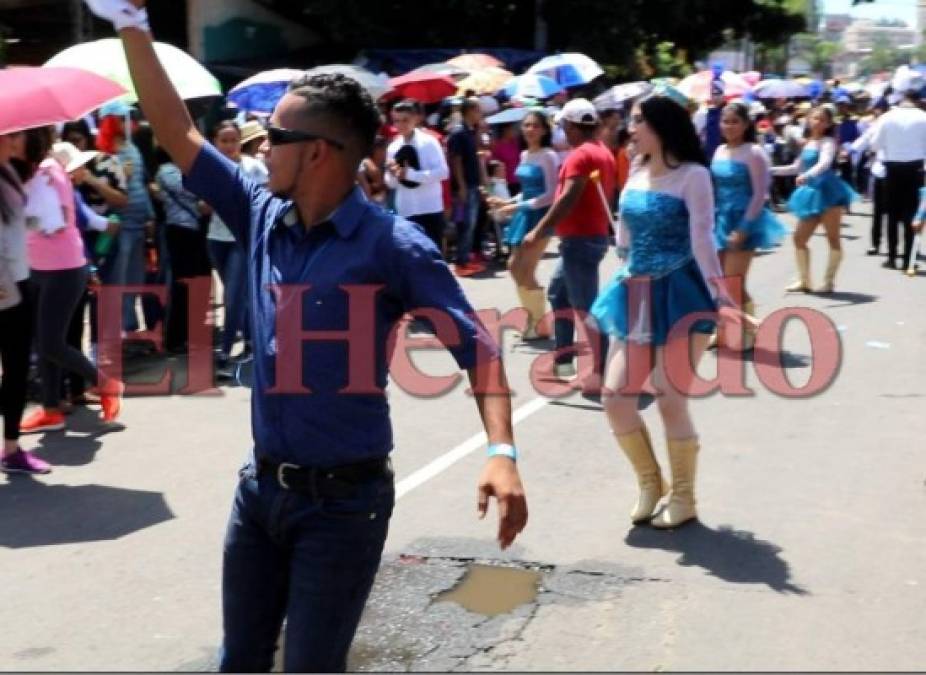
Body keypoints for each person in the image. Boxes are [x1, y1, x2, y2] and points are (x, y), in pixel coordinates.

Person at [86, 2, 527, 671]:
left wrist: (502, 451)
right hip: (259, 493)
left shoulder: (392, 246)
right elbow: (176, 129)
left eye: (273, 135)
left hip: (342, 507)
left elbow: (478, 349)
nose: (260, 146)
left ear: (318, 151)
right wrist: (131, 24)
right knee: (240, 659)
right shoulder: (260, 211)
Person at [590, 94, 737, 529]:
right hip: (635, 289)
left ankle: (685, 497)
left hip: (681, 291)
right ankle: (650, 484)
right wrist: (620, 238)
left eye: (638, 122)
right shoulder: (634, 171)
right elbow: (626, 234)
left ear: (661, 125)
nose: (630, 129)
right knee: (614, 397)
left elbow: (702, 238)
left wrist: (722, 294)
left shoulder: (693, 176)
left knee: (669, 396)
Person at [17, 126, 123, 435]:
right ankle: (51, 409)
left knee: (51, 342)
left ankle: (106, 384)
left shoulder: (47, 171)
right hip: (41, 267)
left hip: (63, 269)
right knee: (45, 340)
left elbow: (51, 222)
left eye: (13, 137)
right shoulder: (35, 171)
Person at [523, 99, 615, 380]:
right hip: (586, 237)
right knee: (558, 294)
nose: (561, 130)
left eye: (563, 125)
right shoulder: (602, 152)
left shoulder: (580, 156)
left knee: (586, 307)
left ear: (572, 126)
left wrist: (539, 230)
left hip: (580, 240)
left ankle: (607, 369)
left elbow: (568, 197)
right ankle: (563, 361)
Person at [709, 102, 786, 350]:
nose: (729, 127)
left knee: (734, 282)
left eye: (735, 122)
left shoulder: (754, 152)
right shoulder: (719, 150)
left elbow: (760, 193)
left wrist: (744, 227)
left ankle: (749, 333)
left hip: (744, 220)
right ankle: (722, 331)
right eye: (725, 121)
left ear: (745, 125)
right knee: (718, 282)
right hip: (719, 219)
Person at [0, 131, 50, 474]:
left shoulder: (10, 172)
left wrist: (34, 221)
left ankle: (11, 448)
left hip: (19, 278)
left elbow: (11, 225)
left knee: (16, 367)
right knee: (14, 367)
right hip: (5, 286)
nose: (16, 138)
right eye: (10, 134)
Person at [487, 110, 559, 341]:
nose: (529, 130)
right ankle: (536, 319)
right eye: (526, 125)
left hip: (540, 217)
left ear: (545, 129)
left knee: (526, 270)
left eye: (535, 126)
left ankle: (539, 324)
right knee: (514, 266)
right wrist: (507, 202)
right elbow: (525, 192)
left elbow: (550, 194)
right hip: (524, 213)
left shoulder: (549, 155)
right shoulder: (525, 154)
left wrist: (518, 207)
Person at [770, 105, 858, 293]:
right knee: (799, 238)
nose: (817, 122)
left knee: (833, 238)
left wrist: (808, 175)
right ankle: (805, 281)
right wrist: (770, 170)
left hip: (828, 191)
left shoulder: (828, 142)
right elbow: (795, 167)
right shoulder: (808, 142)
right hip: (810, 193)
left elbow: (824, 163)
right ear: (808, 120)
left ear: (828, 124)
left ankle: (828, 281)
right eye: (814, 118)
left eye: (822, 119)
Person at [207, 120, 264, 374]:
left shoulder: (254, 168)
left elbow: (264, 202)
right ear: (215, 143)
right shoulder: (209, 169)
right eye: (224, 141)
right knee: (238, 295)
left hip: (243, 239)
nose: (230, 146)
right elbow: (203, 207)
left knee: (231, 296)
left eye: (234, 140)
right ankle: (252, 340)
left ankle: (225, 352)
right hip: (216, 238)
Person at [97, 100, 156, 333]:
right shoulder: (103, 153)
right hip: (120, 226)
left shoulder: (132, 147)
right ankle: (116, 332)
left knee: (135, 279)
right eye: (122, 119)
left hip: (139, 223)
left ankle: (130, 328)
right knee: (117, 281)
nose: (128, 123)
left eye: (128, 118)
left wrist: (150, 215)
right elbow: (104, 191)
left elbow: (140, 184)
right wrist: (122, 174)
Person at [155, 146, 212, 354]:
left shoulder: (185, 168)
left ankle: (195, 333)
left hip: (196, 230)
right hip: (179, 231)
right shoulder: (167, 171)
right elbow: (190, 189)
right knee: (182, 285)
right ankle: (175, 338)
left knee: (200, 282)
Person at [871, 86, 926, 271]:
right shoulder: (923, 117)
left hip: (892, 168)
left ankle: (892, 256)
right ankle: (909, 259)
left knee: (892, 214)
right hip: (916, 169)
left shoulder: (886, 117)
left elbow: (875, 144)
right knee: (912, 213)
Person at [384, 99, 449, 249]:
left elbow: (443, 172)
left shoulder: (429, 142)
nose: (400, 125)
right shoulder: (393, 147)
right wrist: (394, 175)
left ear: (415, 119)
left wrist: (412, 175)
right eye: (396, 121)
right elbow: (390, 182)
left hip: (429, 207)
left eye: (405, 120)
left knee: (433, 252)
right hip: (406, 208)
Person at [447, 97, 485, 276]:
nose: (480, 113)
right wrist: (461, 185)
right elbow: (456, 160)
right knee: (466, 224)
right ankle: (461, 262)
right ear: (469, 111)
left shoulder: (470, 132)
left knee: (472, 223)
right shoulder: (458, 133)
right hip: (465, 185)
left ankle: (466, 258)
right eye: (477, 109)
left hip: (473, 183)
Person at [850, 100, 889, 256]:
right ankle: (875, 244)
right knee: (878, 211)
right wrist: (852, 150)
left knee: (900, 212)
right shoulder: (878, 124)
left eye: (877, 110)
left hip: (897, 170)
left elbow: (870, 142)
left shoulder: (885, 121)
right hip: (881, 170)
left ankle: (906, 246)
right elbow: (866, 138)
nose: (875, 113)